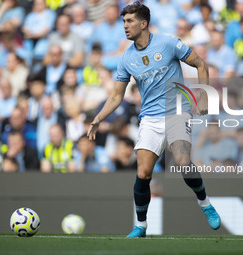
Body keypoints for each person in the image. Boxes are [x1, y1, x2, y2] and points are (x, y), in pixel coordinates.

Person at [87, 1, 221, 238]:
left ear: (143, 23)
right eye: (123, 21)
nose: (125, 26)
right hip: (150, 117)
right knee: (143, 173)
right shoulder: (126, 58)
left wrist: (203, 96)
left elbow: (200, 63)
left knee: (181, 160)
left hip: (177, 112)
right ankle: (141, 225)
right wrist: (98, 118)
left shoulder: (168, 43)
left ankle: (205, 203)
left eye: (129, 21)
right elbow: (117, 95)